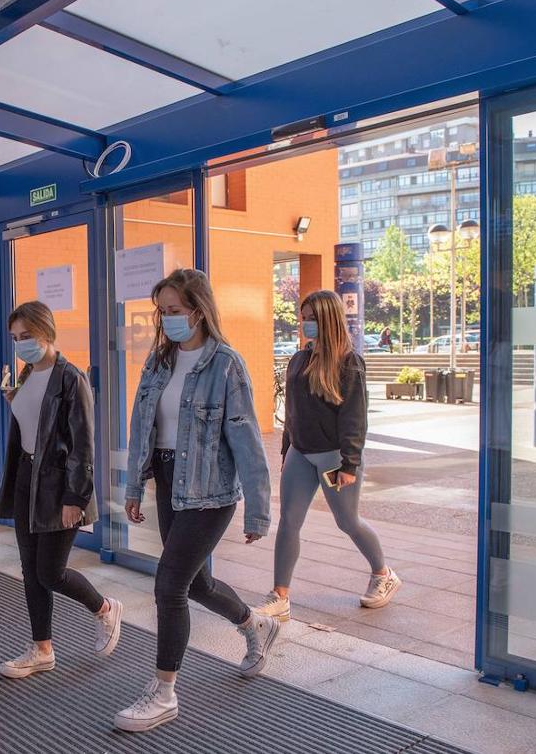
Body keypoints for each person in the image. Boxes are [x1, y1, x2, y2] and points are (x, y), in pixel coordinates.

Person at [114, 269, 278, 733]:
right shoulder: (159, 361)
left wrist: (258, 509)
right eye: (161, 311)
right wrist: (134, 487)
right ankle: (255, 626)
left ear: (199, 310)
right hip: (169, 482)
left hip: (210, 493)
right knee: (197, 585)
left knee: (169, 586)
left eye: (175, 311)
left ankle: (164, 692)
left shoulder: (226, 364)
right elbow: (141, 426)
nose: (167, 320)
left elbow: (246, 441)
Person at [0, 301, 123, 679]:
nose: (21, 344)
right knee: (31, 572)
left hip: (59, 485)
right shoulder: (26, 374)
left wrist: (76, 498)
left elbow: (84, 443)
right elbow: (32, 430)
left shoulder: (71, 379)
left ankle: (105, 609)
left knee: (51, 572)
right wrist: (15, 403)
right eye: (16, 338)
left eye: (27, 337)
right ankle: (42, 649)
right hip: (25, 480)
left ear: (47, 333)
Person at [257, 290, 400, 624]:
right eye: (303, 317)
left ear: (328, 320)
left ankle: (383, 573)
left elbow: (354, 418)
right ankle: (280, 596)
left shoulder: (349, 362)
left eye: (311, 318)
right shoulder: (298, 359)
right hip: (300, 453)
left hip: (335, 457)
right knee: (289, 521)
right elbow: (292, 412)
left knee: (347, 521)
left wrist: (349, 464)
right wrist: (286, 451)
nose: (305, 324)